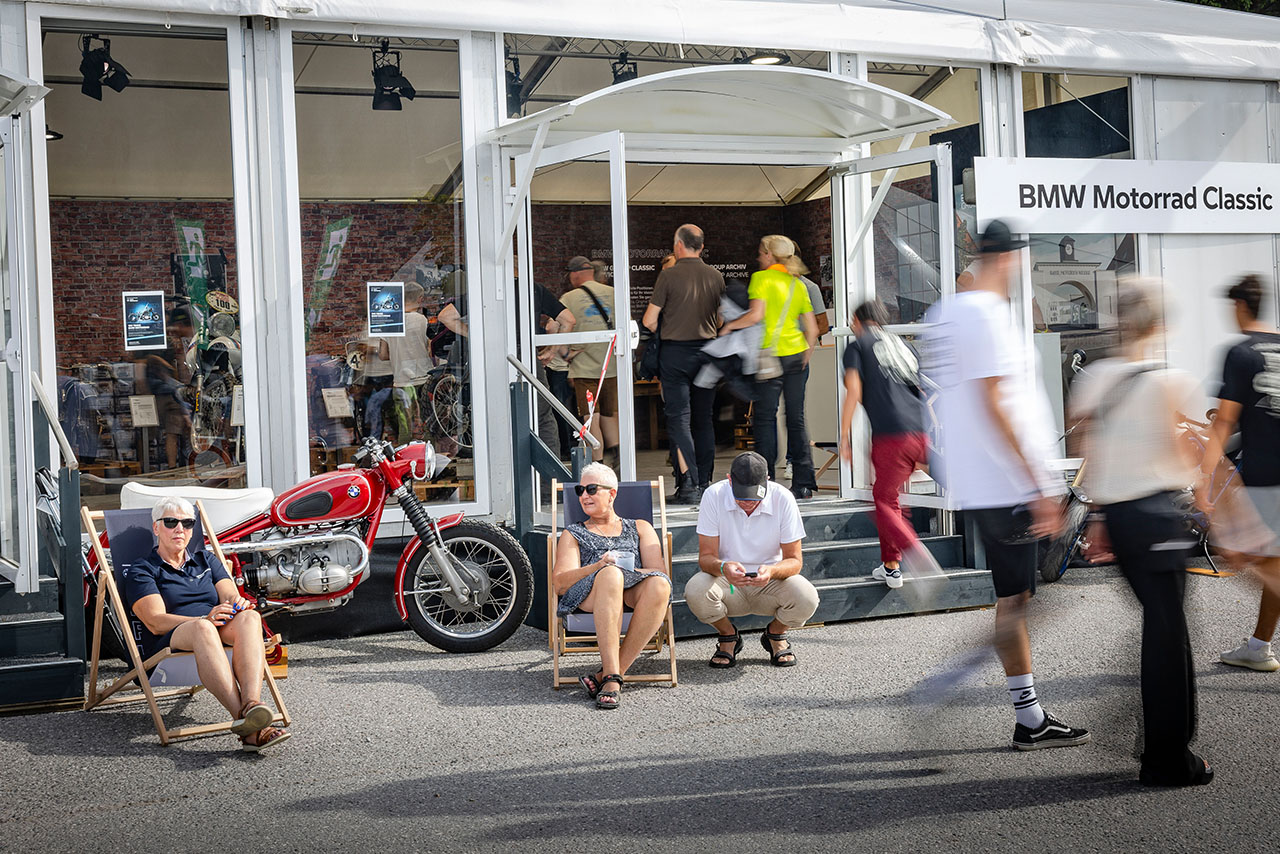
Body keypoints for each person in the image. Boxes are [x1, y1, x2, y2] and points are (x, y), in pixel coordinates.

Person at [920, 218, 1088, 751]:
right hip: (1006, 483)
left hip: (980, 479)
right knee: (1020, 604)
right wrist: (1036, 483)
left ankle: (1029, 716)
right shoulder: (986, 315)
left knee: (1016, 600)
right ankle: (965, 691)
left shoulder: (945, 312)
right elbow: (996, 402)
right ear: (1011, 258)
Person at [1072, 279, 1212, 786]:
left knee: (1160, 625)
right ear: (1157, 325)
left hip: (1122, 520)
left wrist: (1101, 519)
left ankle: (1157, 738)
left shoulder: (1096, 378)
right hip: (1160, 514)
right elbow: (1193, 453)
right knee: (1167, 634)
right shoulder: (1173, 380)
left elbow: (1093, 453)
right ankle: (1167, 758)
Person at [122, 496, 289, 752]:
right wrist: (204, 619)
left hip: (215, 627)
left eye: (187, 523)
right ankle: (248, 724)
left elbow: (231, 595)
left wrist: (238, 604)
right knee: (203, 629)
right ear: (156, 528)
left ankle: (252, 704)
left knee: (250, 618)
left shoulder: (206, 560)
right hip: (172, 636)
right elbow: (155, 622)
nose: (180, 528)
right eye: (171, 522)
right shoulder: (143, 570)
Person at [1201, 274, 1280, 672]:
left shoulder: (1240, 352)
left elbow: (1224, 422)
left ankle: (1259, 647)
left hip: (1268, 477)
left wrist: (1204, 477)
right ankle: (1259, 646)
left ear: (1239, 306)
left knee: (1242, 553)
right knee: (1273, 560)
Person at [552, 462, 672, 709]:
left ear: (612, 493)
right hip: (589, 593)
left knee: (659, 585)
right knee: (610, 575)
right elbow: (560, 584)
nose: (584, 495)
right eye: (580, 490)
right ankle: (612, 677)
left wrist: (625, 570)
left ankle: (608, 676)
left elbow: (659, 570)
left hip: (631, 589)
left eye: (592, 489)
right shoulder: (573, 533)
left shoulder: (640, 527)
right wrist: (598, 566)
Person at [687, 452, 819, 668]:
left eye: (754, 497)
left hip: (771, 581)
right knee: (695, 590)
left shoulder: (782, 497)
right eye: (741, 497)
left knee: (807, 597)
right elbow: (705, 558)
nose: (748, 503)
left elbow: (795, 561)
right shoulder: (714, 495)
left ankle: (775, 634)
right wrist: (723, 566)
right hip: (727, 582)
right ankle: (728, 636)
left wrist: (771, 571)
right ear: (729, 480)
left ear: (767, 481)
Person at [720, 234, 818, 498]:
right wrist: (806, 353)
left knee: (765, 418)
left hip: (771, 357)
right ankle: (804, 483)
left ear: (769, 255)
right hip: (796, 355)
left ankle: (765, 481)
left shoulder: (762, 279)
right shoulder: (798, 284)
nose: (758, 257)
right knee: (795, 419)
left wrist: (728, 325)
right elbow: (811, 326)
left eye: (761, 253)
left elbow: (756, 315)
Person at [839, 298, 928, 588]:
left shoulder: (857, 346)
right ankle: (891, 566)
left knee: (883, 499)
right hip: (920, 431)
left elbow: (854, 390)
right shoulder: (903, 345)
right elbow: (919, 389)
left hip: (892, 435)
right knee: (891, 498)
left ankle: (913, 549)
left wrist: (844, 436)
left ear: (857, 320)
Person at [643, 224, 725, 504]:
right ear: (701, 246)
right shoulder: (716, 276)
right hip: (707, 353)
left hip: (675, 355)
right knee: (704, 419)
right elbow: (722, 320)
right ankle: (706, 482)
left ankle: (688, 483)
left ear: (679, 245)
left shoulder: (668, 276)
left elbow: (649, 320)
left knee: (679, 419)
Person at [562, 256, 620, 472]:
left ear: (575, 274)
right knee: (609, 413)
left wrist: (564, 352)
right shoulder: (614, 293)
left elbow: (560, 327)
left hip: (585, 368)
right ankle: (619, 457)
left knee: (591, 416)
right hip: (612, 365)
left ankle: (598, 464)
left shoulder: (569, 298)